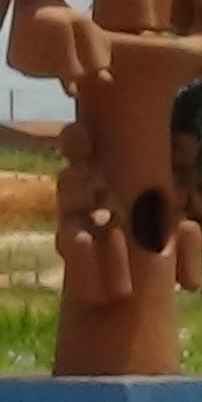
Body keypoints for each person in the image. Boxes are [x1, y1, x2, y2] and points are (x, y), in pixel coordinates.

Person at [56, 126, 133, 305]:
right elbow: (68, 204)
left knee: (115, 234)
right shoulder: (66, 177)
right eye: (76, 143)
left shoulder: (95, 173)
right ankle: (91, 293)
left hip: (95, 221)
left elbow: (107, 197)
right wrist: (90, 198)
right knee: (83, 242)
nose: (82, 147)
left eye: (84, 142)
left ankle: (120, 285)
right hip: (73, 225)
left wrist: (107, 210)